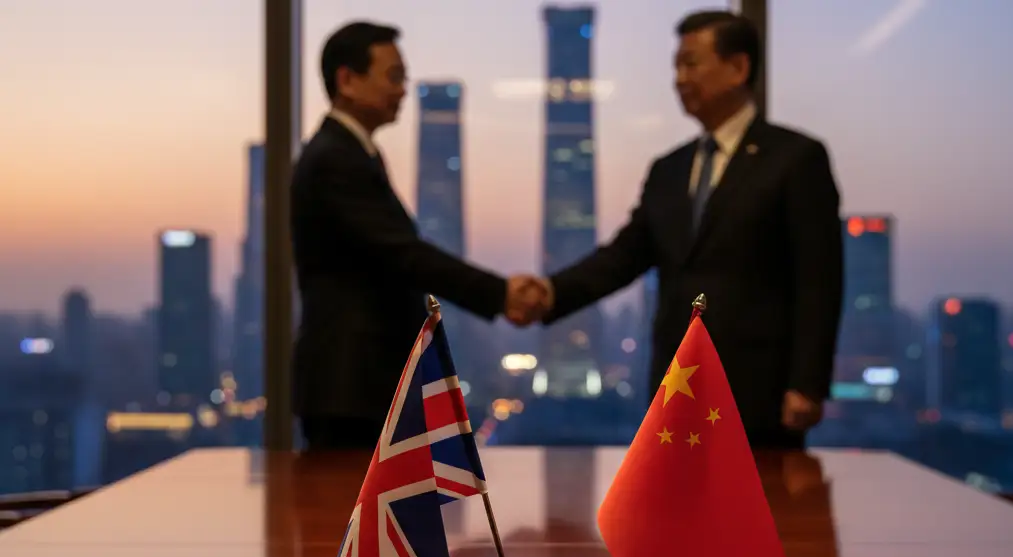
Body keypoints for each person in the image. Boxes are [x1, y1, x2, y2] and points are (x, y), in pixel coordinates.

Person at [524, 10, 844, 449]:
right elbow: (623, 257)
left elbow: (819, 280)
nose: (678, 78)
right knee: (674, 511)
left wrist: (807, 383)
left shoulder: (794, 159)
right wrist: (550, 293)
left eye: (691, 63)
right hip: (677, 389)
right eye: (676, 66)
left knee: (761, 513)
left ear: (737, 68)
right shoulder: (668, 169)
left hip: (758, 391)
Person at [290, 21, 545, 450]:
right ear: (347, 80)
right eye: (392, 76)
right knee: (352, 512)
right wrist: (499, 293)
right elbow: (401, 254)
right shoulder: (335, 159)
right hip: (350, 385)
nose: (402, 89)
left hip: (358, 383)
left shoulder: (350, 153)